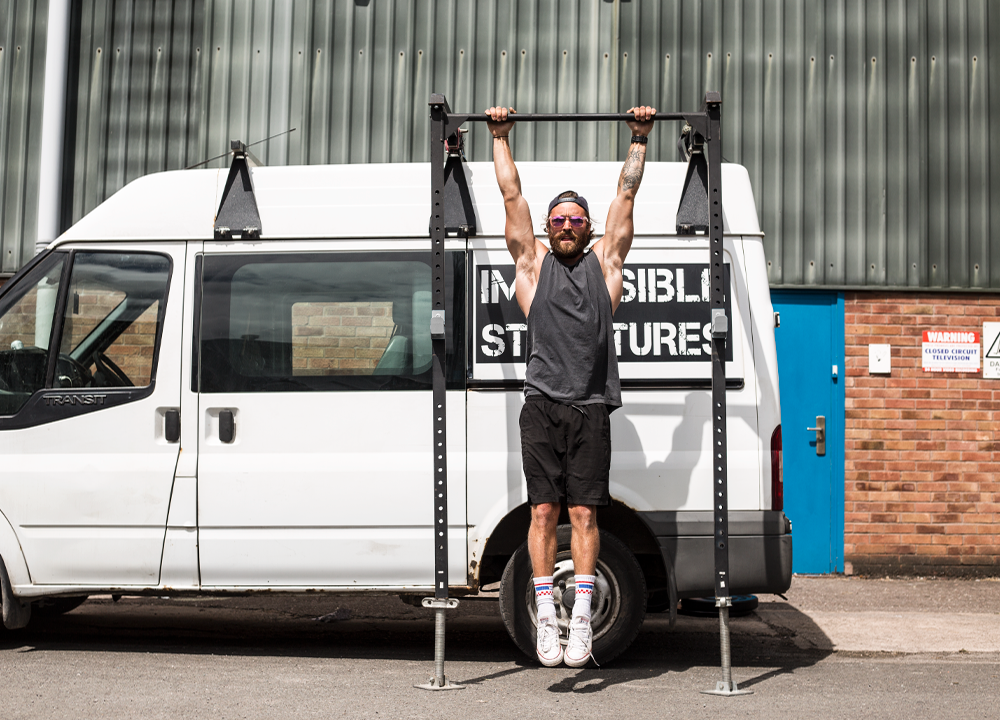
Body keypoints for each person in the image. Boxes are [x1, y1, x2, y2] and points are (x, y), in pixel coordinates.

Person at [486, 105, 655, 667]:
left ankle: (581, 620)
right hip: (541, 406)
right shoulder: (531, 267)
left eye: (574, 220)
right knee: (541, 515)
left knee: (583, 516)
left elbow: (625, 199)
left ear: (587, 228)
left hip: (591, 408)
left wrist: (638, 138)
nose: (564, 225)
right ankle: (546, 622)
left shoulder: (606, 265)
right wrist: (500, 136)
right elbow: (513, 198)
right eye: (557, 220)